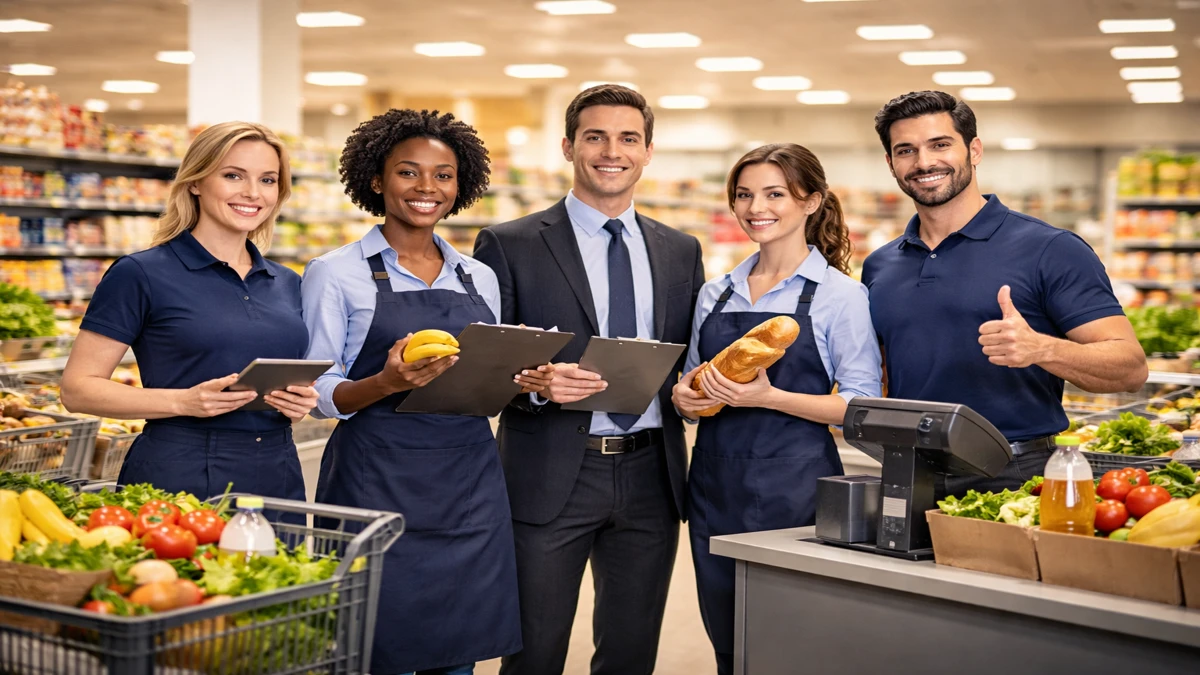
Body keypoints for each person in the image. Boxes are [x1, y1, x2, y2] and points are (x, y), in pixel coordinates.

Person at [301, 109, 550, 675]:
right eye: (408, 173)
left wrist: (524, 383)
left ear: (460, 186)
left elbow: (484, 379)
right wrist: (385, 382)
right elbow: (317, 391)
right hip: (375, 481)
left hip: (467, 483)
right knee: (373, 647)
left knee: (456, 651)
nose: (426, 189)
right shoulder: (335, 273)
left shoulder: (476, 276)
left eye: (443, 175)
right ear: (376, 180)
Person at [473, 84, 705, 675]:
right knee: (534, 649)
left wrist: (696, 392)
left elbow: (685, 356)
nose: (611, 151)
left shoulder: (680, 250)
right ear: (568, 146)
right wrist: (533, 383)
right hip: (549, 473)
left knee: (631, 650)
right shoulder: (510, 244)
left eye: (628, 138)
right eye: (595, 136)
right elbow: (489, 370)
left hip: (651, 471)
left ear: (648, 151)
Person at [862, 91, 1148, 497]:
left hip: (1014, 475)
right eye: (906, 150)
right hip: (909, 471)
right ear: (891, 164)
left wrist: (1042, 349)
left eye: (940, 145)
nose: (924, 162)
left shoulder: (1051, 249)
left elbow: (1131, 368)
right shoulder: (880, 264)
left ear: (974, 150)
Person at [670, 143, 882, 675]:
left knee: (790, 642)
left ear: (811, 202)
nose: (755, 207)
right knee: (726, 637)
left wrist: (770, 397)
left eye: (774, 194)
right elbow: (696, 385)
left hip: (799, 492)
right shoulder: (715, 293)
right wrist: (686, 398)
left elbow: (860, 405)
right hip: (715, 488)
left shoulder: (839, 295)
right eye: (743, 195)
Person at [61, 121, 319, 503]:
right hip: (179, 470)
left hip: (276, 470)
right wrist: (182, 402)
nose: (252, 193)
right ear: (196, 182)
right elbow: (77, 389)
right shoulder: (142, 273)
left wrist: (300, 402)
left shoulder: (286, 281)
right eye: (233, 176)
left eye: (268, 180)